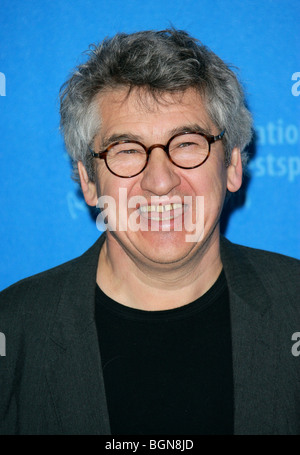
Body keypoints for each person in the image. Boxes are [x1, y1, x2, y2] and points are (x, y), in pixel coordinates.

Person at [0, 28, 299, 436]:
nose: (160, 181)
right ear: (88, 181)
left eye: (187, 143)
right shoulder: (13, 329)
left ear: (231, 166)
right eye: (126, 150)